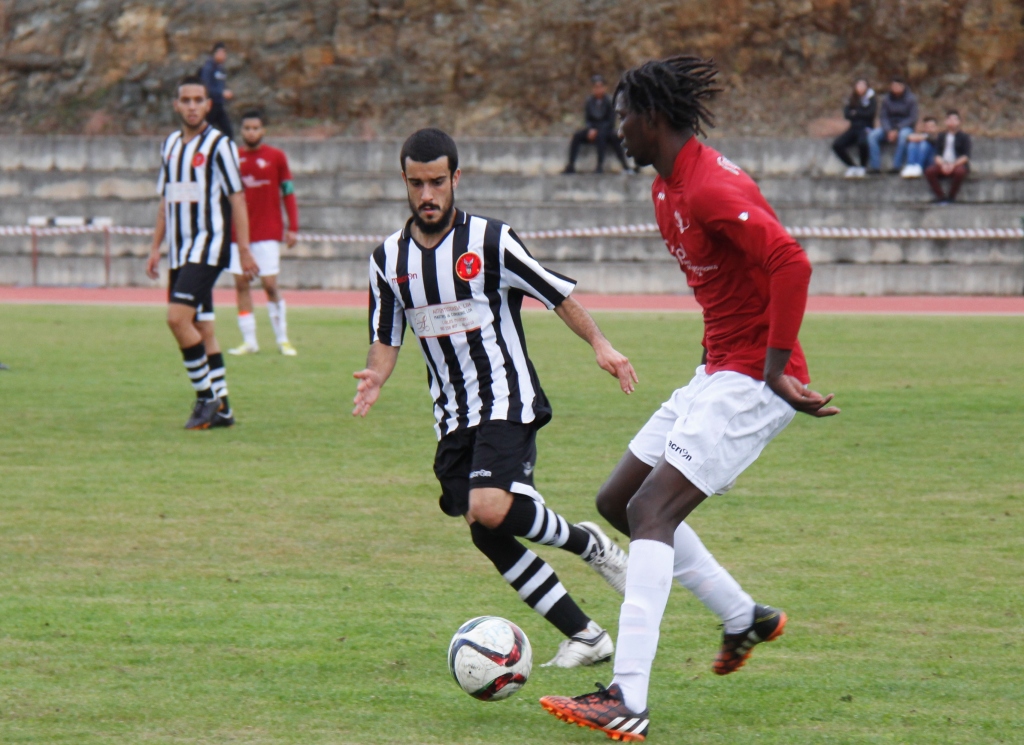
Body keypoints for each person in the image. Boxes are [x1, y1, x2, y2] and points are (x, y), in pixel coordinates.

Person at [539, 56, 839, 742]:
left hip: (754, 380)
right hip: (717, 371)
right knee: (619, 499)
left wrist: (774, 368)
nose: (617, 129)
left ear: (653, 117)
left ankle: (627, 699)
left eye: (623, 117)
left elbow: (790, 261)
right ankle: (744, 617)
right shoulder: (664, 187)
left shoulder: (706, 187)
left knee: (652, 509)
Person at [353, 128, 638, 668]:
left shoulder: (490, 240)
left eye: (437, 181)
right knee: (486, 532)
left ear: (455, 178)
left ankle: (588, 545)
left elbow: (556, 294)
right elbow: (387, 336)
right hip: (451, 414)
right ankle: (587, 636)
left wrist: (601, 343)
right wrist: (376, 377)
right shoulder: (387, 259)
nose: (427, 194)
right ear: (405, 183)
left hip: (507, 396)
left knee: (489, 507)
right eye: (416, 184)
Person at [145, 75, 258, 430]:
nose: (192, 106)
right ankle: (222, 408)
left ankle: (206, 397)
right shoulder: (170, 146)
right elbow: (166, 200)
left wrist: (244, 249)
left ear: (208, 105)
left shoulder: (219, 145)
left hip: (208, 248)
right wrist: (154, 247)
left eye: (198, 100)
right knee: (203, 327)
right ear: (176, 105)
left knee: (176, 319)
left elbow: (237, 196)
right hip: (180, 252)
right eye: (186, 100)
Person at [227, 110, 300, 356]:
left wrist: (293, 226)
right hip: (238, 234)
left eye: (255, 128)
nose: (251, 132)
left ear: (263, 130)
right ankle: (250, 341)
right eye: (247, 128)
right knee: (241, 285)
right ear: (241, 131)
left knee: (269, 285)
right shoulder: (233, 158)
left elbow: (288, 192)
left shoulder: (276, 157)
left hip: (268, 231)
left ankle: (283, 339)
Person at [564, 75, 634, 175]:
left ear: (604, 88)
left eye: (600, 86)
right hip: (592, 129)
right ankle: (571, 165)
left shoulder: (609, 101)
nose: (598, 89)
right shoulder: (589, 102)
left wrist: (597, 130)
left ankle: (601, 165)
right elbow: (587, 119)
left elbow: (610, 122)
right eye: (595, 87)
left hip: (605, 130)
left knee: (603, 137)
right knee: (577, 136)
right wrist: (590, 129)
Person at [866, 77, 918, 174]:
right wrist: (888, 130)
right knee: (872, 135)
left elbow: (912, 118)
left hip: (904, 127)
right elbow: (883, 117)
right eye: (893, 86)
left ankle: (896, 166)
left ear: (903, 86)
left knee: (903, 136)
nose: (895, 88)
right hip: (888, 127)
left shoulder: (911, 99)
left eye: (898, 86)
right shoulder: (886, 99)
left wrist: (897, 130)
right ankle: (875, 167)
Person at [831, 78, 875, 178]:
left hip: (866, 127)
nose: (860, 88)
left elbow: (870, 114)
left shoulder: (871, 98)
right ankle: (852, 166)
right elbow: (847, 114)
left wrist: (856, 113)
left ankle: (863, 167)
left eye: (863, 85)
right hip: (853, 127)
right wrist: (859, 113)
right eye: (858, 85)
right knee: (837, 144)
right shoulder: (852, 99)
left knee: (862, 142)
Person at [925, 110, 971, 204]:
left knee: (960, 172)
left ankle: (951, 197)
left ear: (959, 122)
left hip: (957, 164)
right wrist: (943, 164)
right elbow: (937, 154)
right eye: (949, 119)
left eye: (955, 119)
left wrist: (953, 165)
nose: (952, 122)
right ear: (946, 121)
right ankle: (940, 197)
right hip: (943, 163)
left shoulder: (964, 137)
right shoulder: (941, 136)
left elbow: (966, 156)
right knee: (929, 171)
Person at [199, 42, 234, 139]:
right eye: (221, 52)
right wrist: (221, 93)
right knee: (205, 131)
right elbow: (205, 87)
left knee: (228, 131)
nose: (223, 55)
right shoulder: (209, 67)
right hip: (210, 105)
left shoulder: (221, 68)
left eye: (224, 52)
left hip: (219, 104)